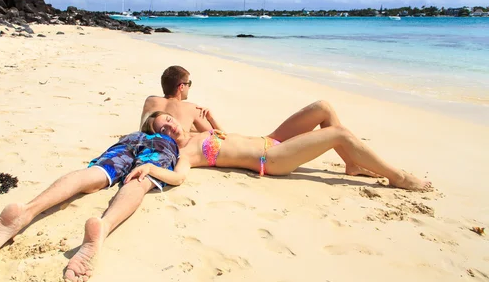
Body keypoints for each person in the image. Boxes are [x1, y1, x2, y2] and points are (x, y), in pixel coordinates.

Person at [0, 132, 189, 282]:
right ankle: (103, 226)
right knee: (139, 179)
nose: (171, 125)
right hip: (156, 146)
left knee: (101, 174)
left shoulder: (159, 114)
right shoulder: (178, 139)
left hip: (130, 140)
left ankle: (27, 211)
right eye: (166, 122)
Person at [138, 110, 432, 191]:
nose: (169, 127)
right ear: (160, 138)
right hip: (271, 159)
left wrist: (213, 121)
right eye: (162, 130)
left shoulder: (198, 131)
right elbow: (178, 178)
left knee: (323, 108)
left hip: (271, 140)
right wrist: (151, 169)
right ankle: (398, 177)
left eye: (168, 120)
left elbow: (227, 138)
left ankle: (352, 165)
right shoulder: (186, 152)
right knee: (339, 133)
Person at [139, 65, 222, 133]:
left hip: (142, 147)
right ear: (181, 87)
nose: (189, 87)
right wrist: (211, 118)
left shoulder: (150, 100)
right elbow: (220, 136)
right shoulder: (192, 109)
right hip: (169, 151)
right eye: (189, 83)